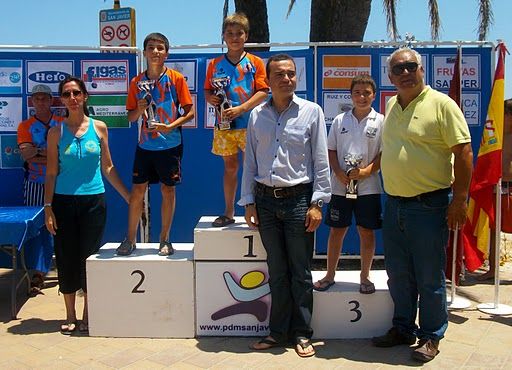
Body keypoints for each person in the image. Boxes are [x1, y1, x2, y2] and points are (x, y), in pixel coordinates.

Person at [372, 47, 473, 363]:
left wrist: (459, 199)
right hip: (395, 205)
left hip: (429, 206)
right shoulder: (391, 103)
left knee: (429, 276)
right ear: (390, 75)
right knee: (398, 274)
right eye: (398, 69)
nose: (405, 73)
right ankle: (403, 328)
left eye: (410, 66)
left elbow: (465, 153)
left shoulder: (442, 105)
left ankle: (431, 335)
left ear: (422, 70)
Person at [239, 54, 331, 358]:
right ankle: (277, 332)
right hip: (264, 202)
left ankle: (303, 334)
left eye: (291, 74)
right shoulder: (256, 116)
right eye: (279, 74)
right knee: (276, 271)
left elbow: (321, 160)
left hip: (298, 202)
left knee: (301, 272)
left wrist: (318, 202)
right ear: (269, 79)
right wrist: (249, 201)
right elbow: (250, 160)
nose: (286, 79)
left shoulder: (312, 112)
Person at [44, 77, 129, 334]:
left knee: (89, 258)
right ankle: (70, 314)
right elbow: (50, 173)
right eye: (67, 94)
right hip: (63, 202)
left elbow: (108, 167)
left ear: (85, 96)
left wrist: (128, 196)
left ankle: (88, 315)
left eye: (76, 93)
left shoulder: (100, 128)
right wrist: (48, 207)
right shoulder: (55, 133)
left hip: (94, 201)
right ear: (61, 99)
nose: (72, 98)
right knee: (67, 257)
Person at [116, 32, 194, 256]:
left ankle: (165, 239)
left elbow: (190, 112)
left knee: (167, 190)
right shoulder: (136, 82)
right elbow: (131, 118)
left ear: (166, 53)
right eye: (151, 48)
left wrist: (170, 126)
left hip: (170, 144)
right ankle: (129, 239)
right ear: (145, 52)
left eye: (160, 48)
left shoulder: (176, 79)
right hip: (145, 146)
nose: (156, 52)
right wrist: (140, 108)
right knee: (138, 190)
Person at [313, 74, 383, 294]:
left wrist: (366, 172)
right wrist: (338, 172)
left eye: (366, 93)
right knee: (337, 231)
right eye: (357, 93)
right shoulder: (340, 120)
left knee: (366, 231)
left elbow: (384, 153)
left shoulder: (381, 121)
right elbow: (330, 150)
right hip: (340, 186)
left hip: (369, 187)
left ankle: (365, 277)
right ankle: (329, 275)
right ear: (351, 95)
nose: (362, 97)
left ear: (374, 95)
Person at [204, 12, 269, 227]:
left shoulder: (256, 62)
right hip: (224, 125)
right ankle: (229, 212)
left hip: (251, 123)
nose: (234, 37)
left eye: (238, 33)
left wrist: (241, 108)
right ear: (223, 36)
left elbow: (263, 92)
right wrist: (211, 98)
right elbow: (207, 91)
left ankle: (259, 210)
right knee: (230, 168)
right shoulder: (214, 64)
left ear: (246, 36)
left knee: (256, 168)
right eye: (229, 33)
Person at [17, 84, 64, 292]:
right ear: (32, 102)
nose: (41, 102)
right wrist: (50, 153)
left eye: (45, 98)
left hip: (63, 182)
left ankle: (65, 270)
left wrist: (38, 153)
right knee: (37, 228)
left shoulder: (62, 123)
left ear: (51, 100)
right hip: (35, 183)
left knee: (63, 227)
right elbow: (26, 155)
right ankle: (38, 273)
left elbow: (65, 155)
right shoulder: (25, 126)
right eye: (37, 99)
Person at [478, 99, 512, 280]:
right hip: (496, 189)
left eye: (503, 113)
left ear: (509, 115)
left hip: (510, 187)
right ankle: (492, 269)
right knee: (493, 229)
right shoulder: (495, 135)